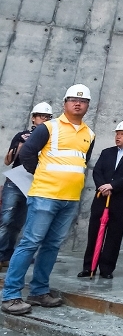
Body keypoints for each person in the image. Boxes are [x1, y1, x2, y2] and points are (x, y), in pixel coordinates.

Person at [1, 85, 95, 316]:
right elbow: (26, 154)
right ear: (65, 103)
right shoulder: (47, 128)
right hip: (45, 195)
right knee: (30, 243)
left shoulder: (89, 134)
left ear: (87, 106)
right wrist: (42, 176)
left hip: (70, 198)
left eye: (82, 101)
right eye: (73, 99)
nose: (77, 104)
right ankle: (11, 295)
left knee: (52, 245)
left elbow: (82, 162)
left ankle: (39, 291)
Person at [77, 120, 123, 280]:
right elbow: (97, 171)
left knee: (114, 236)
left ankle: (106, 268)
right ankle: (89, 267)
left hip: (122, 201)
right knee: (94, 233)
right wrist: (102, 186)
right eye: (117, 134)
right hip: (101, 198)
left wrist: (112, 186)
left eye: (122, 134)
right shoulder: (107, 152)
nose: (118, 137)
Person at [0, 102, 52, 270]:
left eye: (47, 117)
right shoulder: (22, 135)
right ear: (33, 118)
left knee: (18, 222)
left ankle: (7, 255)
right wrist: (22, 146)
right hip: (16, 180)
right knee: (6, 219)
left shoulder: (51, 138)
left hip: (35, 182)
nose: (44, 119)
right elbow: (8, 161)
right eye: (41, 116)